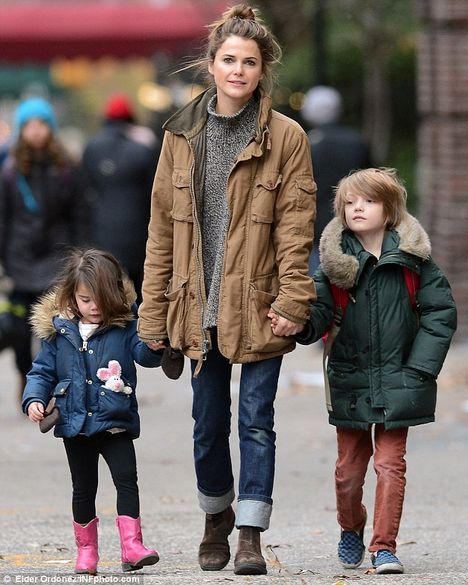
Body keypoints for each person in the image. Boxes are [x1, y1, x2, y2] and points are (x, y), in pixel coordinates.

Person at [137, 3, 316, 576]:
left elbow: (296, 226)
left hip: (261, 303)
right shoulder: (180, 135)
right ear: (210, 65)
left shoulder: (286, 137)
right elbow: (162, 230)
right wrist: (153, 314)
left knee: (257, 420)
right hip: (197, 305)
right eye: (228, 59)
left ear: (263, 71)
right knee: (208, 424)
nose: (238, 70)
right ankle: (216, 516)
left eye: (250, 62)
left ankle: (249, 535)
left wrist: (293, 300)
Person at [295, 168, 457, 574]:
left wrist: (420, 369)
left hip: (400, 377)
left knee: (390, 464)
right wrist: (296, 324)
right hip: (350, 377)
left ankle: (384, 546)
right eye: (349, 203)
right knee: (349, 471)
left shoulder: (413, 262)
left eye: (367, 201)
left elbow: (440, 313)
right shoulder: (335, 263)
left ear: (390, 210)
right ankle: (351, 528)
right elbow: (317, 313)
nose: (357, 209)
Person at [22, 248, 163, 575]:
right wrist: (34, 399)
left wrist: (157, 345)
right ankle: (87, 551)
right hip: (76, 425)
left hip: (115, 422)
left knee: (127, 480)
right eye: (86, 299)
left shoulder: (125, 328)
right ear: (71, 296)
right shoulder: (59, 333)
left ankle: (132, 546)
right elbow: (41, 371)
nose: (94, 306)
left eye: (101, 298)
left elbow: (143, 353)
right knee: (83, 488)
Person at [0, 97, 88, 406]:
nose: (36, 131)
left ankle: (49, 386)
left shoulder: (65, 169)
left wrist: (80, 256)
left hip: (56, 259)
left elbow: (77, 214)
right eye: (30, 125)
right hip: (19, 261)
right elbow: (3, 217)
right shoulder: (9, 171)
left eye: (41, 124)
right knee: (20, 334)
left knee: (54, 330)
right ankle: (25, 375)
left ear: (50, 128)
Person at [81, 93, 160, 304]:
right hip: (138, 231)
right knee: (139, 289)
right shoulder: (144, 150)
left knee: (108, 288)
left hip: (101, 230)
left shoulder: (92, 149)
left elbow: (84, 190)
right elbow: (154, 193)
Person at [301, 86, 372, 273]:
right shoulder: (357, 142)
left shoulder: (307, 145)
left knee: (321, 292)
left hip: (319, 232)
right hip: (358, 228)